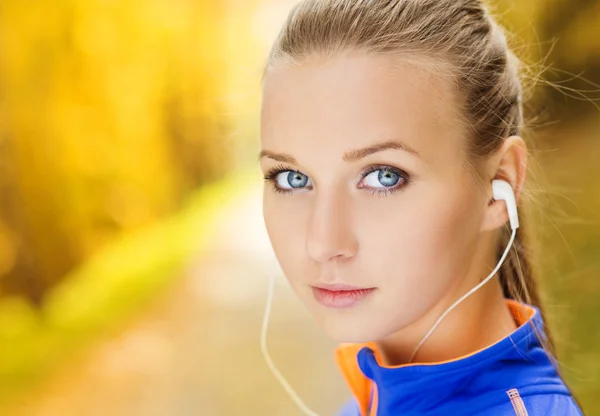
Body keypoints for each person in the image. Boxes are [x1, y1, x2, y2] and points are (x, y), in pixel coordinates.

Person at [258, 0, 585, 414]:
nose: (322, 243)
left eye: (383, 176)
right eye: (292, 178)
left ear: (499, 183)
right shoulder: (374, 394)